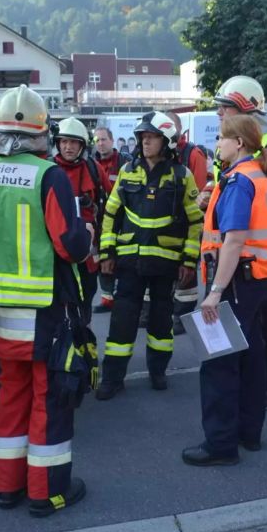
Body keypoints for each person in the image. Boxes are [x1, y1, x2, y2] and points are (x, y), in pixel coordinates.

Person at [0, 85, 94, 517]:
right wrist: (86, 239)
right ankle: (47, 491)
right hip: (42, 310)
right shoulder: (47, 174)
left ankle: (7, 487)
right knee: (49, 399)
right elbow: (69, 245)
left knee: (10, 396)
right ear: (42, 133)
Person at [182, 114, 267, 466]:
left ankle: (220, 444)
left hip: (234, 281)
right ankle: (248, 433)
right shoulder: (260, 176)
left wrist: (215, 291)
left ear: (238, 142)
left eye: (222, 139)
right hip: (255, 281)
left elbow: (234, 239)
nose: (218, 145)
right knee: (251, 356)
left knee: (219, 362)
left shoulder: (239, 181)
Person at [95, 111, 203, 399]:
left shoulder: (182, 176)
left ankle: (158, 371)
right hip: (129, 262)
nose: (145, 141)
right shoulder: (129, 171)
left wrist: (189, 261)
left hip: (166, 264)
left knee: (160, 323)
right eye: (143, 136)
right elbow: (110, 214)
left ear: (166, 141)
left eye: (152, 137)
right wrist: (106, 252)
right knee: (122, 321)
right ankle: (113, 378)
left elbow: (195, 222)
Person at [212, 75, 267, 410]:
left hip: (259, 252)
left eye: (225, 107)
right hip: (242, 249)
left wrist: (249, 205)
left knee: (260, 326)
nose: (219, 113)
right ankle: (252, 390)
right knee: (249, 327)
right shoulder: (237, 142)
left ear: (245, 108)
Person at [53, 117, 113, 323]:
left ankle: (84, 346)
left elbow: (111, 207)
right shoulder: (47, 169)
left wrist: (107, 251)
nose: (68, 147)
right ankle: (64, 349)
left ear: (82, 145)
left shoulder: (93, 169)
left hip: (88, 252)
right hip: (57, 251)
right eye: (63, 142)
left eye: (73, 142)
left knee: (85, 299)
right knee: (59, 305)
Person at [170, 111, 210, 334]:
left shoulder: (193, 154)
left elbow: (200, 194)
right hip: (165, 222)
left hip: (187, 221)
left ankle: (182, 315)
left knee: (187, 269)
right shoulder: (162, 153)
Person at [92, 126, 132, 314]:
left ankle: (123, 297)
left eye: (103, 139)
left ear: (112, 140)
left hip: (123, 218)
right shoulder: (91, 164)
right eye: (97, 140)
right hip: (100, 219)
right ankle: (107, 298)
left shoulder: (126, 162)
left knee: (123, 258)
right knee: (102, 257)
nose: (100, 143)